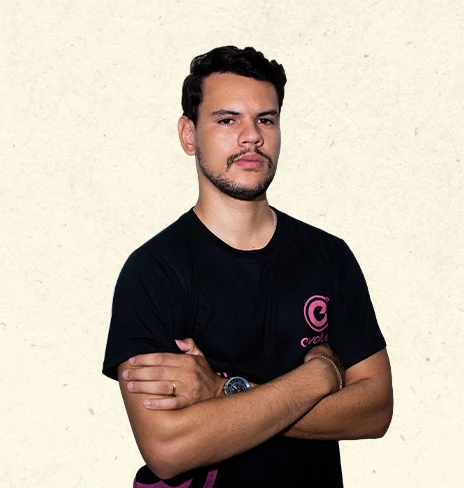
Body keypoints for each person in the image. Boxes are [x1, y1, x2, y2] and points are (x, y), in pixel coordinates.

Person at [102, 45, 393, 487]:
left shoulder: (329, 256)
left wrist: (223, 391)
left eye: (266, 120)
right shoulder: (153, 272)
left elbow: (375, 410)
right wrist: (320, 376)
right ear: (188, 135)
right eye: (227, 120)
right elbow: (167, 449)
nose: (251, 136)